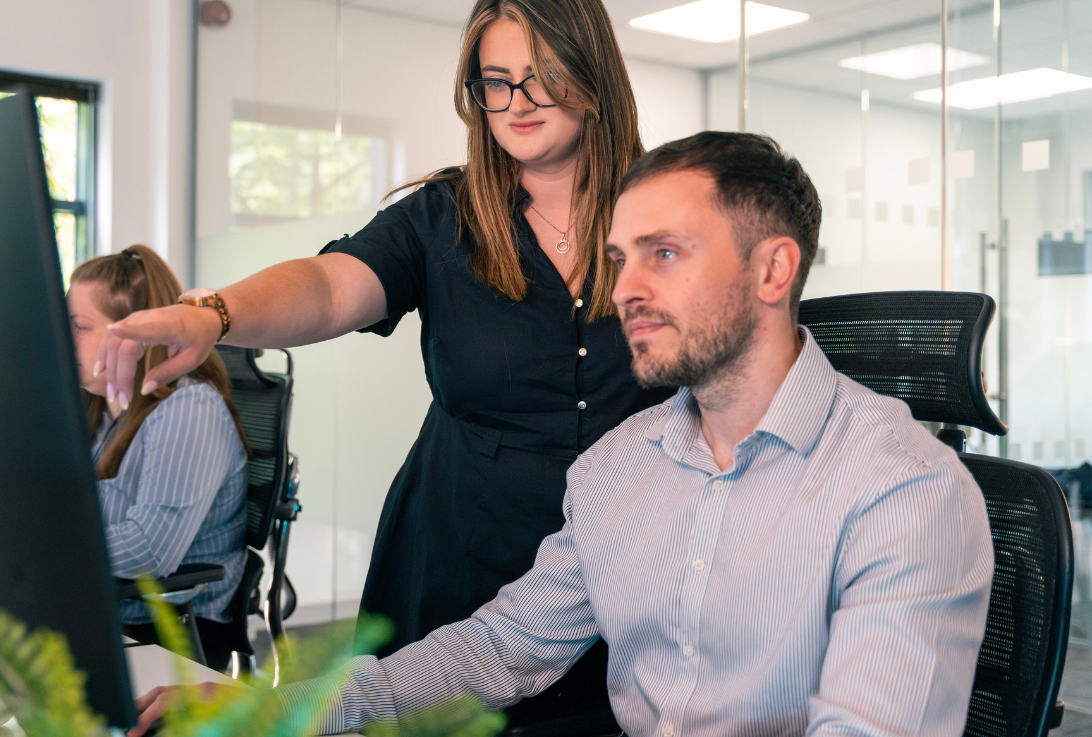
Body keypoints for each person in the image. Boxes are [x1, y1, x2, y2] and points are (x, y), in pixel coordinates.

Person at [132, 132, 995, 736]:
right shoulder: (622, 467)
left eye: (665, 253)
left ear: (774, 267)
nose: (623, 289)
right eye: (619, 259)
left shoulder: (902, 491)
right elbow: (500, 647)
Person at [97, 0, 670, 718]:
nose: (517, 101)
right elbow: (332, 285)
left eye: (542, 75)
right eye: (496, 81)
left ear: (593, 75)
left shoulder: (668, 209)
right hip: (458, 566)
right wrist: (214, 313)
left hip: (628, 577)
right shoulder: (442, 220)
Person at [68, 245, 249, 672]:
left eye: (78, 326)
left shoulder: (189, 411)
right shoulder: (108, 408)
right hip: (113, 614)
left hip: (170, 635)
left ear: (136, 335)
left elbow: (150, 550)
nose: (63, 338)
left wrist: (46, 545)